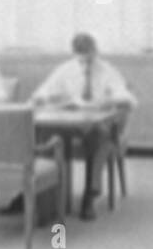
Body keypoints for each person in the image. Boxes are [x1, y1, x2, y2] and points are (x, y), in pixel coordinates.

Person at [31, 33, 136, 220]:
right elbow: (42, 93)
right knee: (44, 133)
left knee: (98, 138)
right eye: (82, 61)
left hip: (99, 125)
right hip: (71, 122)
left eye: (89, 59)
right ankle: (42, 198)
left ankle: (90, 193)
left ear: (95, 52)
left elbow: (127, 99)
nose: (86, 65)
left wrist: (109, 101)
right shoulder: (66, 69)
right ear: (75, 55)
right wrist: (49, 98)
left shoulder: (107, 70)